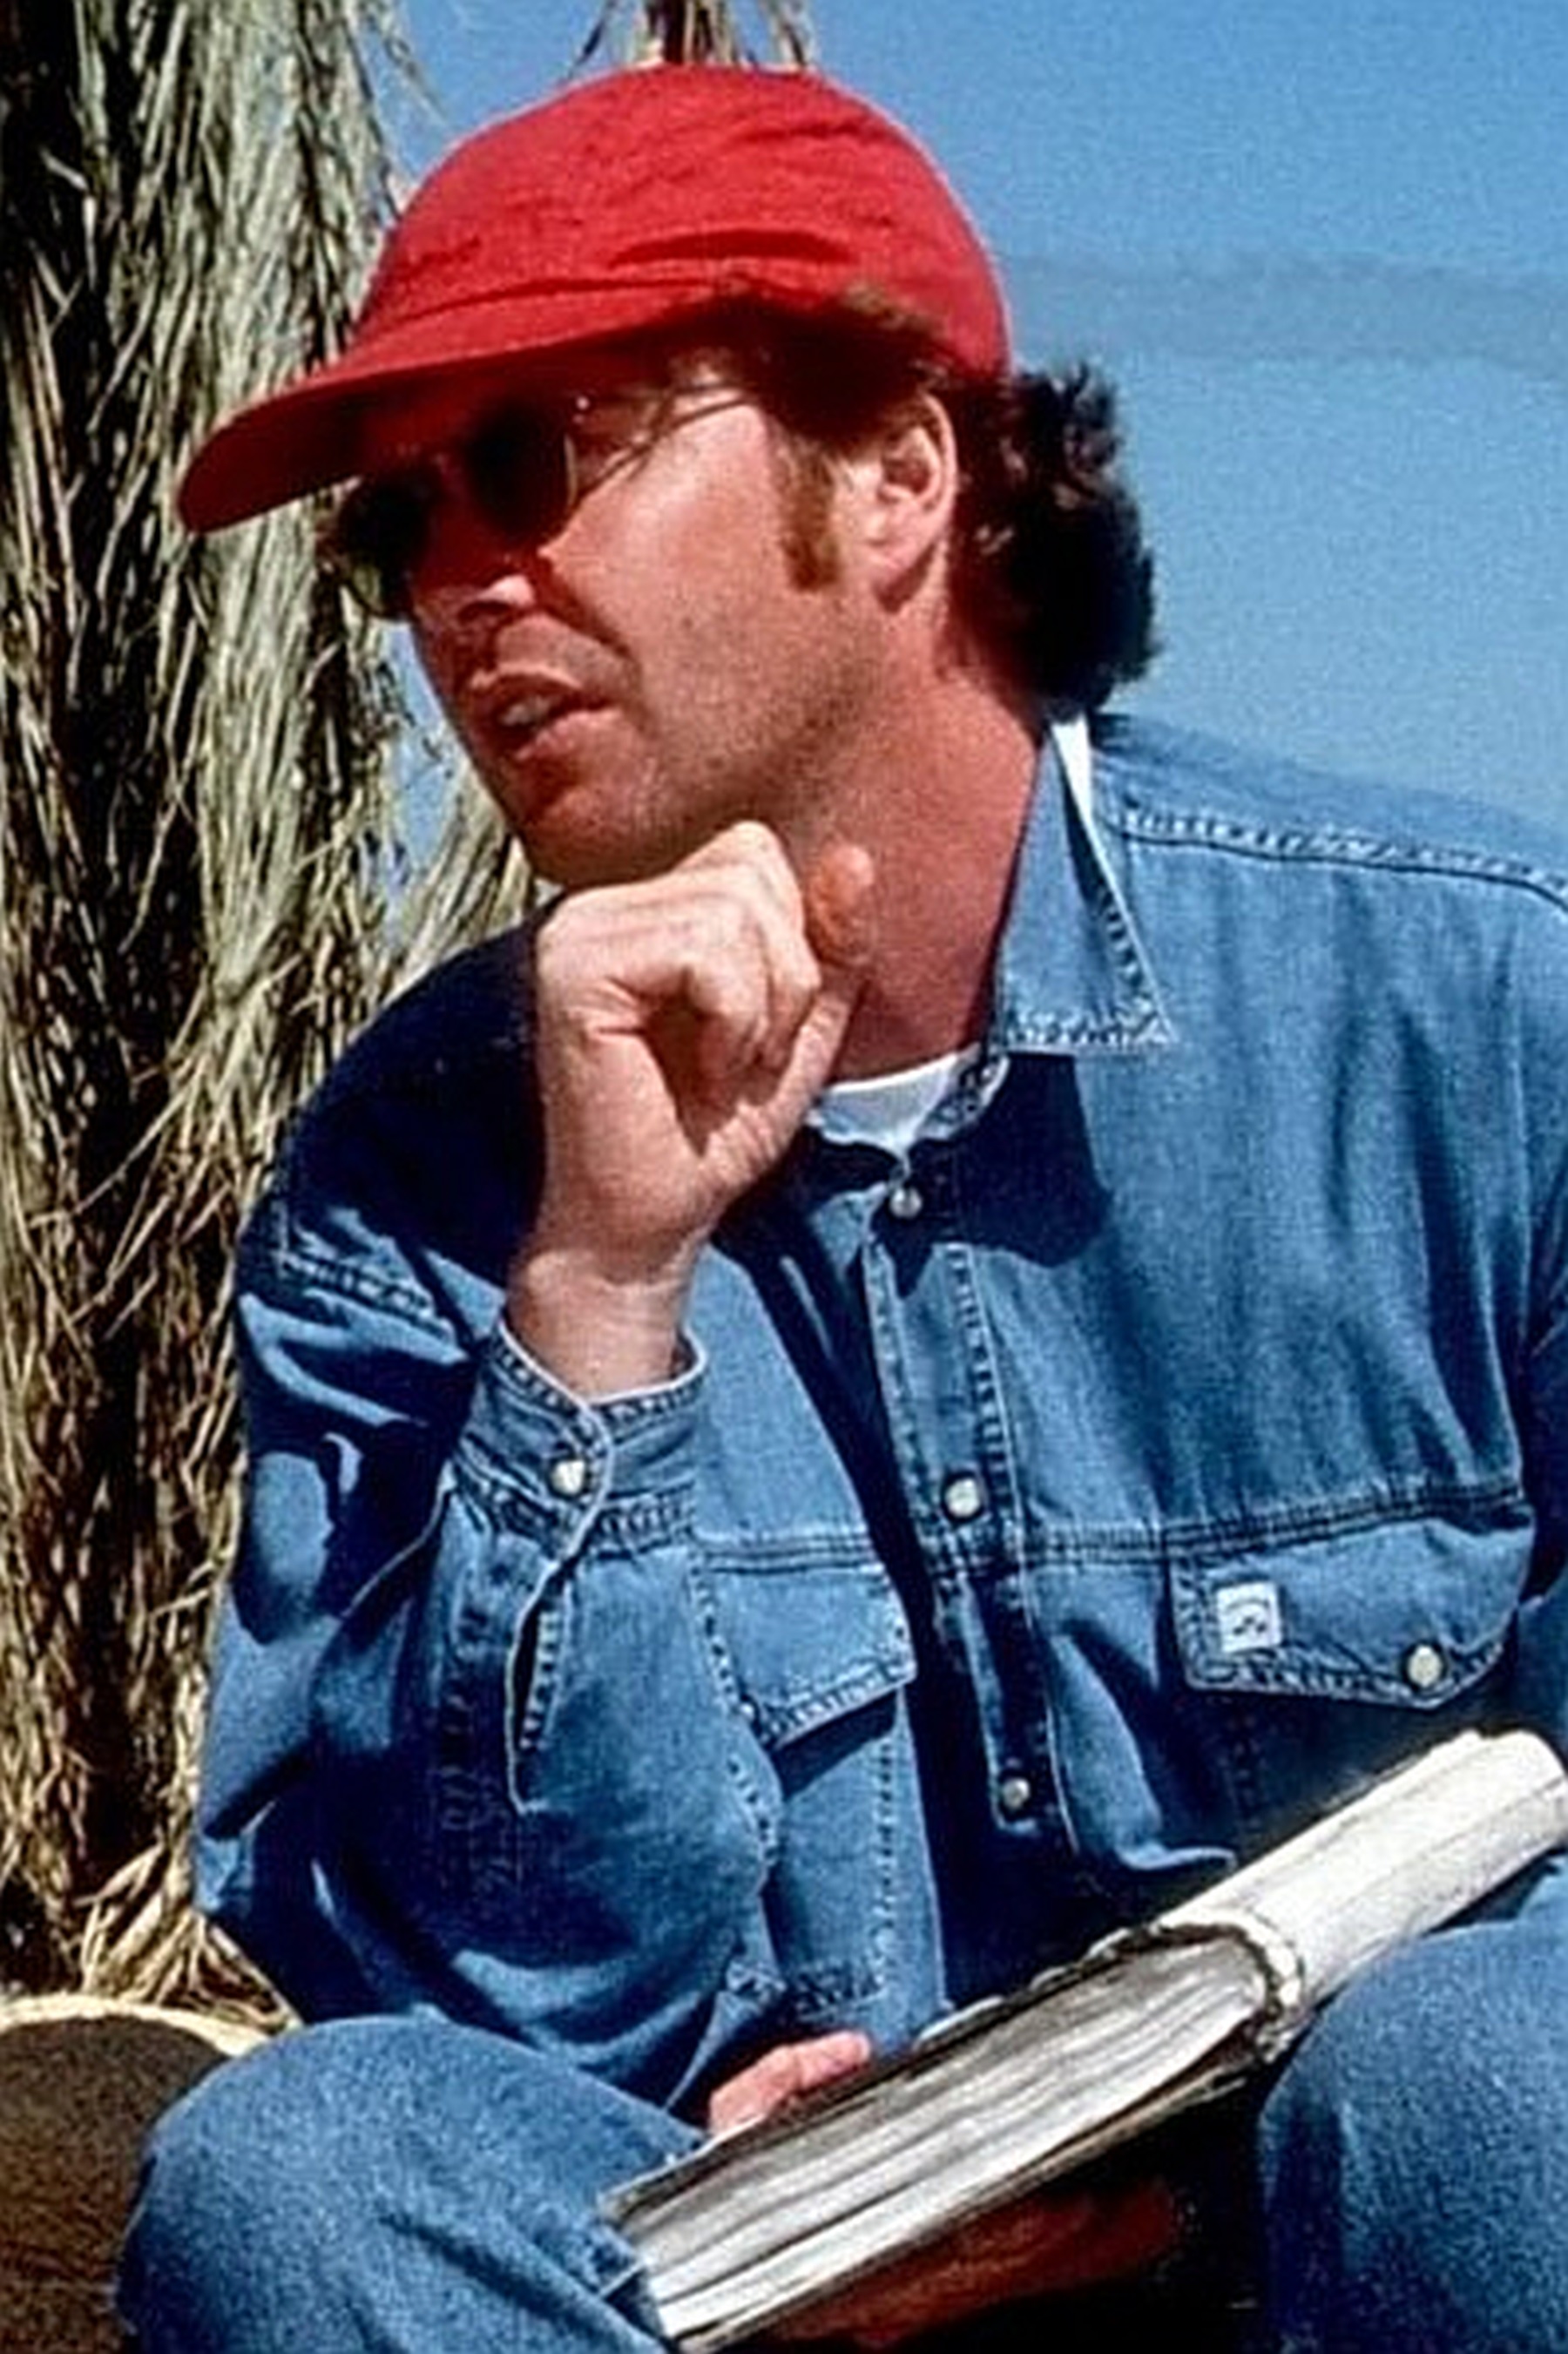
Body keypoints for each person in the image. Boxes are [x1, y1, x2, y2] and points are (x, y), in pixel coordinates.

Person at [119, 62, 1568, 2354]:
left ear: (898, 475)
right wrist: (598, 1293)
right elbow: (477, 2002)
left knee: (1491, 2077)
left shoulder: (1474, 1010)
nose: (462, 589)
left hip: (1358, 2256)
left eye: (537, 459)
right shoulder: (410, 1179)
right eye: (400, 527)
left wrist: (1190, 2154)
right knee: (302, 2178)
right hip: (770, 2301)